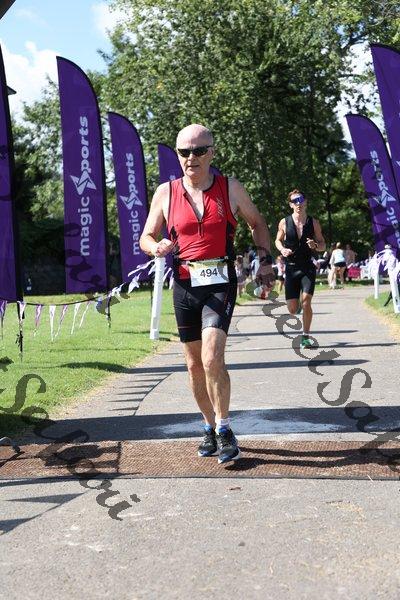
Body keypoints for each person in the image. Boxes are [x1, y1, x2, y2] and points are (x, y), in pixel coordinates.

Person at [139, 123, 275, 464]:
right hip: (184, 284)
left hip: (219, 282)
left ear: (211, 153)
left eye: (199, 151)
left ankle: (225, 428)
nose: (191, 157)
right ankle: (209, 426)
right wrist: (156, 247)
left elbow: (257, 223)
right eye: (184, 152)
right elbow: (146, 236)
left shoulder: (231, 188)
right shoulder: (166, 192)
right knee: (194, 365)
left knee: (212, 357)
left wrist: (264, 261)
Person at [275, 189, 326, 349]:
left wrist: (315, 245)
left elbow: (323, 245)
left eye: (301, 200)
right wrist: (282, 249)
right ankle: (296, 302)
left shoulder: (314, 223)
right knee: (292, 309)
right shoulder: (284, 222)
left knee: (306, 302)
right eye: (294, 201)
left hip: (307, 267)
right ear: (291, 205)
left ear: (306, 202)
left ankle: (305, 337)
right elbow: (277, 240)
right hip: (291, 268)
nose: (298, 203)